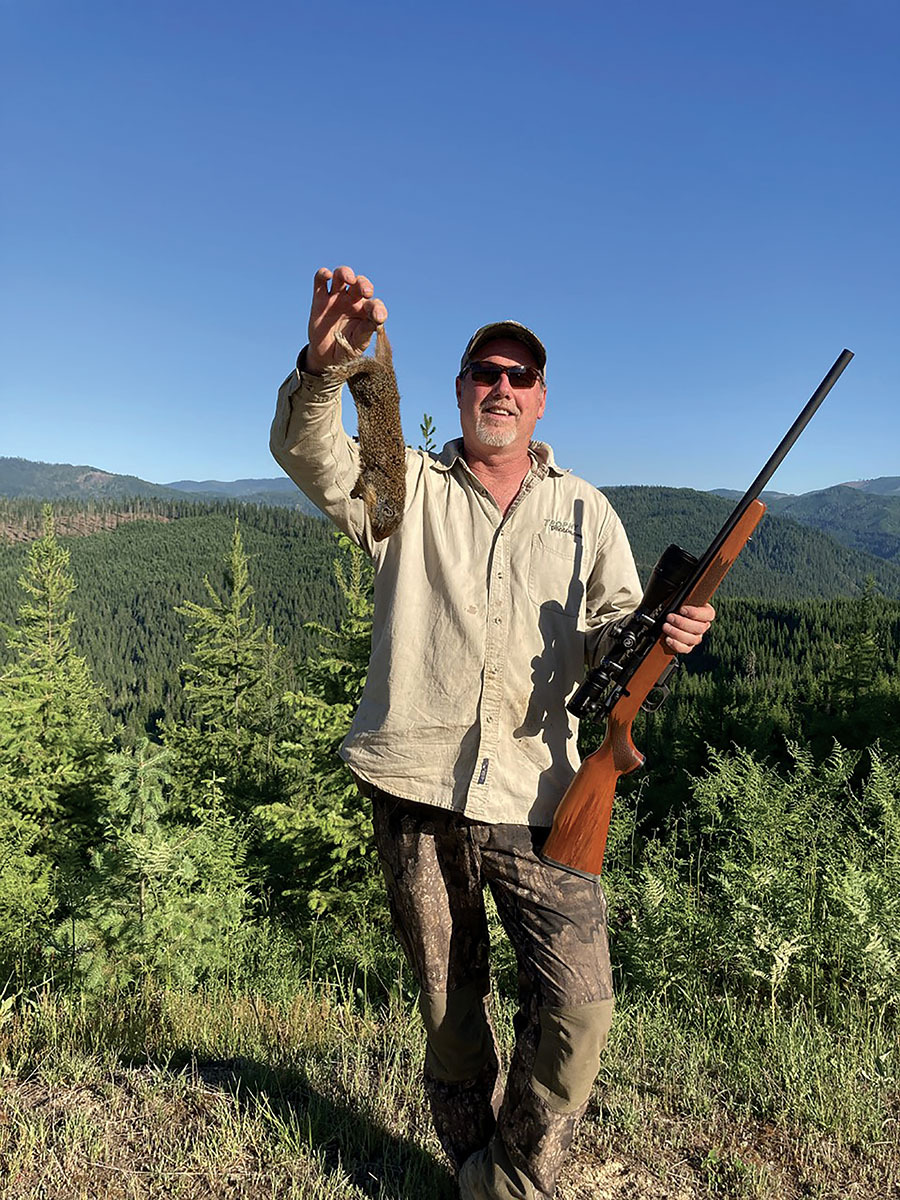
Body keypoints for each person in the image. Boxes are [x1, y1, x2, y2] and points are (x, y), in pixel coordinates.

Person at [270, 265, 714, 1200]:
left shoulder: (586, 511)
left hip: (543, 799)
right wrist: (323, 368)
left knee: (579, 1012)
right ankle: (473, 1171)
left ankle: (509, 1180)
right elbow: (312, 458)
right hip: (418, 786)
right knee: (451, 1015)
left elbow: (614, 638)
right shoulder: (407, 494)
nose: (501, 389)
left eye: (519, 376)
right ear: (461, 390)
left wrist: (661, 637)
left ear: (542, 398)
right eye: (485, 373)